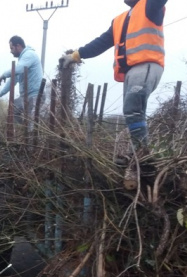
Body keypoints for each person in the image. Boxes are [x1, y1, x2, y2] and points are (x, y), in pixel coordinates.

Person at [59, 0, 167, 162]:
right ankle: (138, 154)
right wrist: (76, 55)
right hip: (131, 71)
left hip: (147, 64)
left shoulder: (149, 6)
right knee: (133, 112)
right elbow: (101, 43)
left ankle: (142, 155)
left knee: (133, 109)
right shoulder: (119, 20)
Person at [0, 35, 43, 124]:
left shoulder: (29, 55)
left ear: (18, 46)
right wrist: (0, 94)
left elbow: (18, 69)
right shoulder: (22, 60)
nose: (10, 51)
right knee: (14, 109)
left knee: (31, 121)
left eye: (11, 48)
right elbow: (13, 80)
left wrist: (4, 74)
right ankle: (25, 131)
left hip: (35, 95)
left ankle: (29, 133)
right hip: (26, 96)